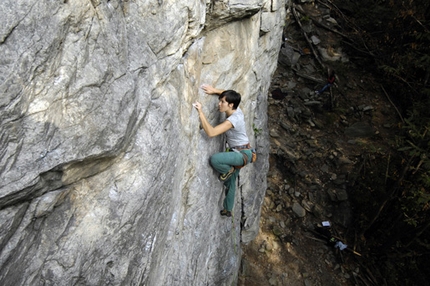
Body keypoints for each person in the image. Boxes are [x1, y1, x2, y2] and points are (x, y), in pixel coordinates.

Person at [193, 84, 253, 218]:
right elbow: (232, 95)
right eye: (220, 100)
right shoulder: (237, 109)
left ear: (230, 105)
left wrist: (200, 112)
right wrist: (214, 91)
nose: (219, 104)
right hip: (242, 152)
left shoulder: (232, 120)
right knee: (230, 182)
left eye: (222, 102)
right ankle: (228, 209)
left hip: (242, 154)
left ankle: (228, 170)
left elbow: (211, 132)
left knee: (215, 159)